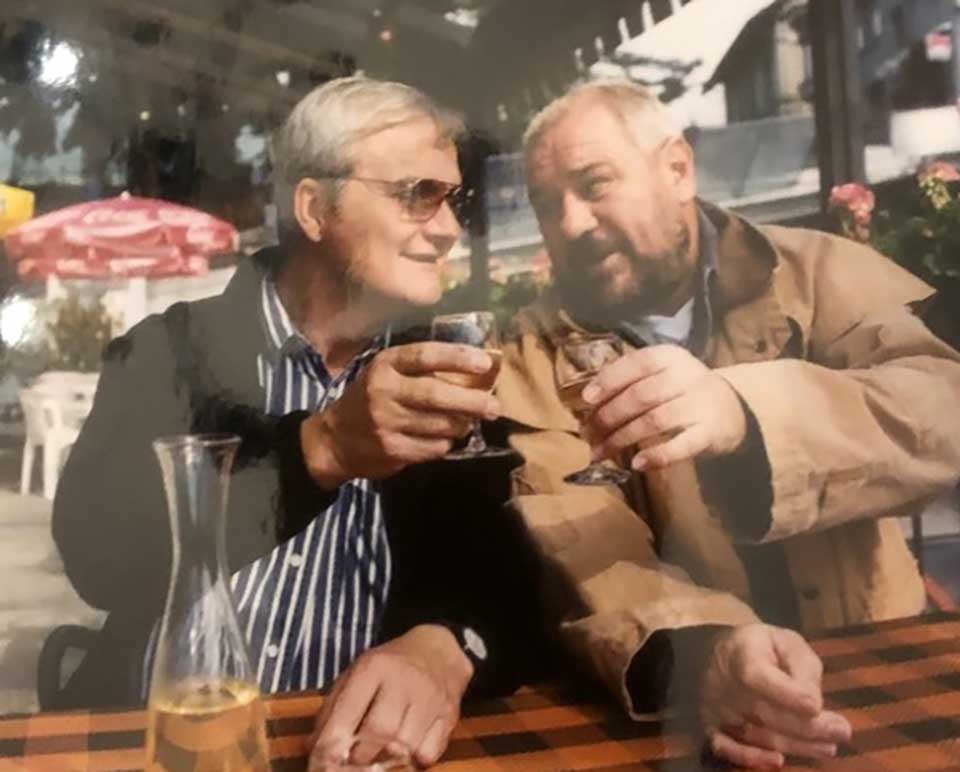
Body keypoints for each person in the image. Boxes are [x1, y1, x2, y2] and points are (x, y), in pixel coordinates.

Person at [52, 76, 542, 768]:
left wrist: (449, 643)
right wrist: (324, 446)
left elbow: (512, 581)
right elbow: (95, 555)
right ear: (314, 209)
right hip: (165, 743)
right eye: (417, 195)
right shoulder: (174, 349)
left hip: (343, 750)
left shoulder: (439, 367)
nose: (449, 228)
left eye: (452, 198)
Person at [496, 78, 960, 769]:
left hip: (875, 661)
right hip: (696, 711)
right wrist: (707, 648)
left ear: (677, 169)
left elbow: (942, 407)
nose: (570, 224)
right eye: (545, 205)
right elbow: (576, 533)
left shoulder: (816, 271)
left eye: (594, 184)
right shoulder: (529, 356)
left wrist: (743, 411)